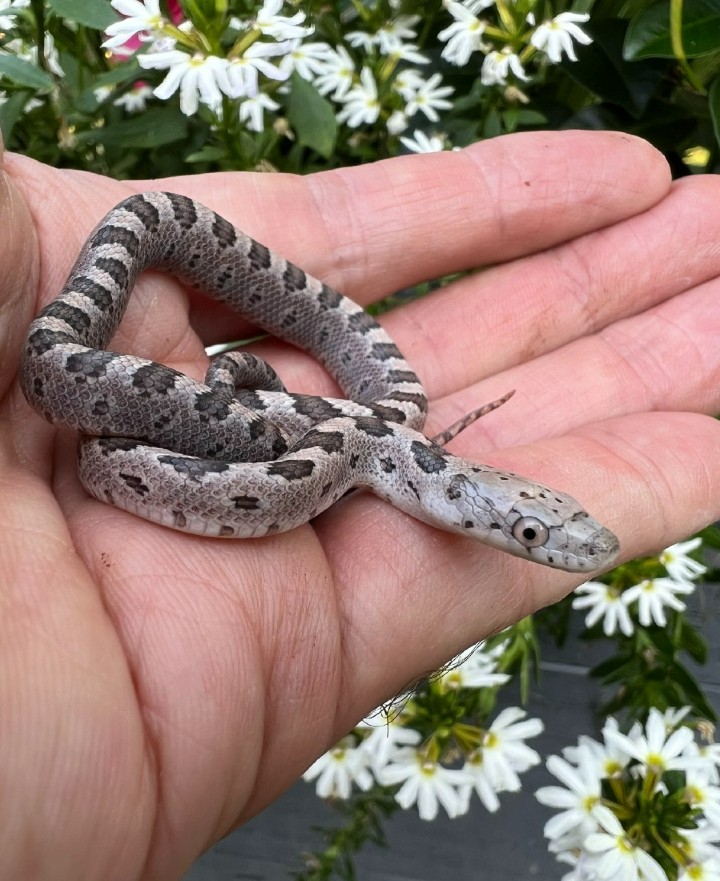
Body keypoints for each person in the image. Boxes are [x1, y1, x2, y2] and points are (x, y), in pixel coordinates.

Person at [1, 128, 718, 879]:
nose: (538, 545)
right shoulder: (350, 447)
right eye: (532, 530)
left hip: (310, 430)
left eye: (535, 529)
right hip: (158, 390)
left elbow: (372, 420)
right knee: (135, 261)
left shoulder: (370, 440)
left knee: (391, 407)